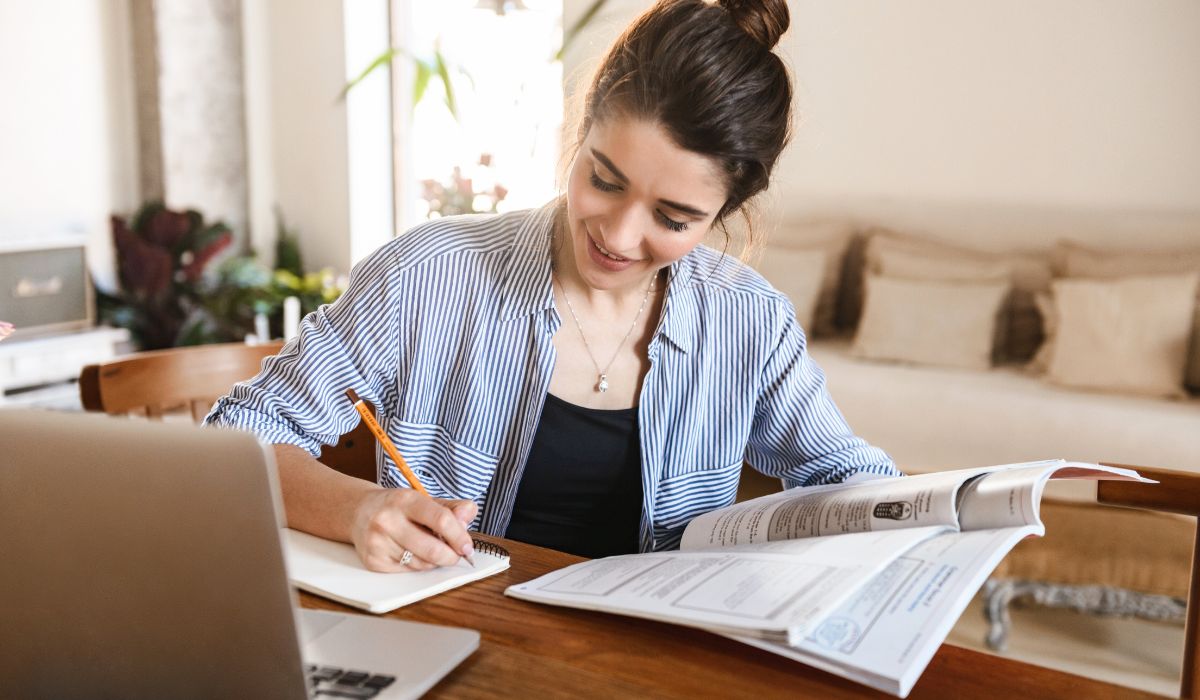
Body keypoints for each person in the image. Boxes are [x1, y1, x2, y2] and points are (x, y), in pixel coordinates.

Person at [206, 0, 897, 571]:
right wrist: (362, 510)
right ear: (582, 123)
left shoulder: (749, 320)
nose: (619, 237)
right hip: (464, 632)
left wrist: (940, 511)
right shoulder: (428, 276)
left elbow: (845, 477)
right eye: (604, 178)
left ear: (725, 213)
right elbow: (237, 440)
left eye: (673, 217)